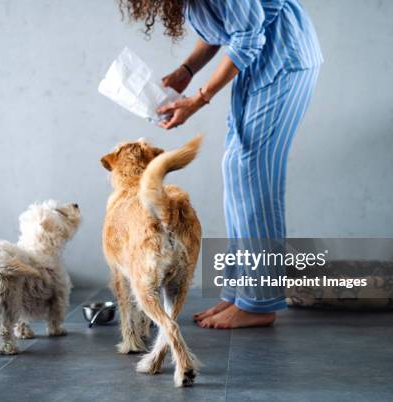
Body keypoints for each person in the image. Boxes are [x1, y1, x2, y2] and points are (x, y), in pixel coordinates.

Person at [119, 0, 323, 328]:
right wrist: (186, 71)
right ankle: (240, 292)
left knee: (253, 173)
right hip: (259, 66)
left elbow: (248, 36)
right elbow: (225, 28)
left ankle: (259, 303)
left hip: (284, 61)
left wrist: (199, 99)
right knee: (237, 170)